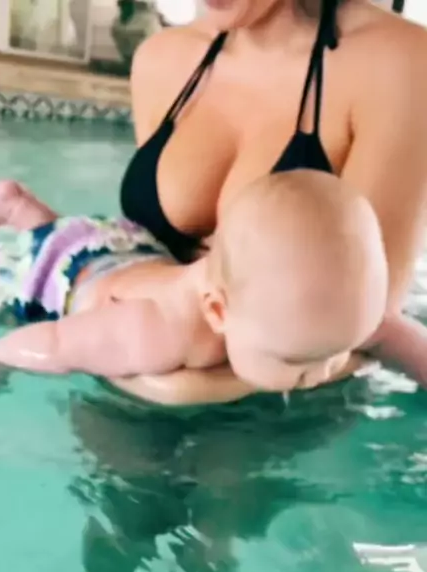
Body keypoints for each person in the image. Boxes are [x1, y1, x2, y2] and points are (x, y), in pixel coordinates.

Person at [117, 0, 427, 401]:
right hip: (139, 366)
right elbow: (144, 251)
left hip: (298, 408)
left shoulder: (399, 63)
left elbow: (371, 320)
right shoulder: (161, 60)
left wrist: (182, 386)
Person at [0, 169, 387, 394]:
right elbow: (54, 342)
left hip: (130, 248)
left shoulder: (306, 312)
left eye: (340, 351)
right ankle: (5, 218)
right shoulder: (153, 331)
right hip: (73, 273)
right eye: (297, 364)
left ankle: (25, 211)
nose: (326, 371)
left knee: (60, 234)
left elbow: (390, 331)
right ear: (217, 311)